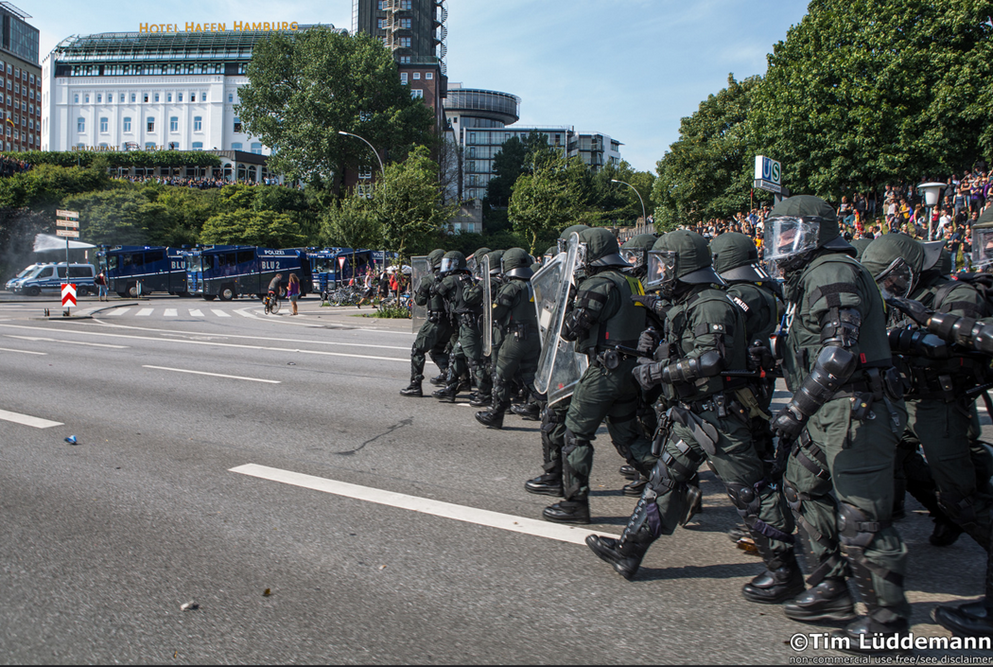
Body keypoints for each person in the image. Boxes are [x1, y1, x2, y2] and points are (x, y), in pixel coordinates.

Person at [586, 230, 803, 607]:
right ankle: (629, 551)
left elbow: (709, 360)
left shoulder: (711, 305)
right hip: (692, 413)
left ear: (685, 267)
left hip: (718, 417)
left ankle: (785, 573)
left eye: (667, 264)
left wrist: (658, 372)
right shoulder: (692, 303)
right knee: (663, 481)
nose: (661, 271)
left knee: (750, 491)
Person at [764, 195, 910, 646]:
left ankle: (887, 619)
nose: (781, 241)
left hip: (853, 411)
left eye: (790, 231)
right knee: (800, 487)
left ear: (814, 232)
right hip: (832, 410)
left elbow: (838, 355)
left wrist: (795, 410)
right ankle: (831, 587)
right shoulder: (813, 273)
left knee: (861, 518)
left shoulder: (831, 270)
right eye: (778, 231)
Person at [541, 227, 654, 524]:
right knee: (629, 437)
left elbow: (570, 330)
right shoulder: (633, 282)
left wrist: (563, 305)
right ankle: (675, 484)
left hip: (605, 370)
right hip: (632, 370)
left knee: (575, 433)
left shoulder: (599, 284)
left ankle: (575, 503)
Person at [476, 249, 540, 429]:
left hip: (515, 337)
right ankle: (542, 408)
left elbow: (496, 312)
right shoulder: (535, 284)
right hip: (534, 336)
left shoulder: (511, 287)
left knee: (501, 376)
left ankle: (496, 415)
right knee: (530, 377)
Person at [401, 250, 450, 397]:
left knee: (418, 350)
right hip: (450, 323)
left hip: (435, 321)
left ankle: (415, 385)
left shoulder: (429, 279)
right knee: (437, 351)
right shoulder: (452, 278)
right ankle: (451, 377)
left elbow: (420, 301)